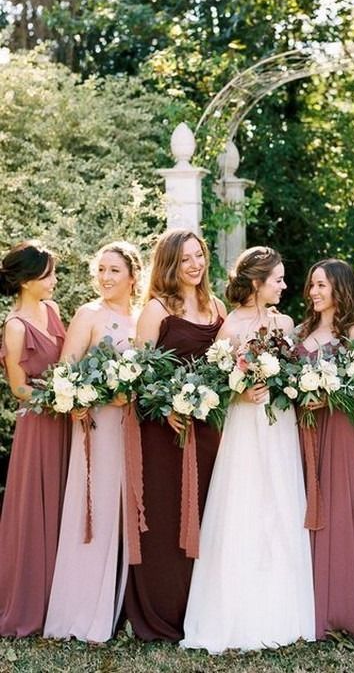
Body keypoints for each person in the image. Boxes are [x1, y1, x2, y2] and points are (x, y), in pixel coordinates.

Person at [181, 247, 315, 653]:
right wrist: (239, 394)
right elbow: (214, 384)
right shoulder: (231, 326)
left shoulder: (286, 322)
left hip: (280, 425)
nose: (285, 286)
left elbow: (295, 372)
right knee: (244, 505)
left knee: (281, 504)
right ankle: (236, 611)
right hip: (244, 426)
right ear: (257, 283)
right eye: (278, 279)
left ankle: (282, 610)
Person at [124, 229, 225, 642]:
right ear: (169, 264)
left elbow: (226, 363)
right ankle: (162, 610)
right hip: (165, 432)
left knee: (207, 512)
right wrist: (168, 407)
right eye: (185, 259)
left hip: (210, 430)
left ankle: (201, 609)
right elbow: (139, 373)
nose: (195, 265)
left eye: (198, 255)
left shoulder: (216, 306)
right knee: (167, 516)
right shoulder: (156, 310)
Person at [44, 241, 142, 643]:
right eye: (101, 269)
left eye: (114, 270)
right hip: (97, 428)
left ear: (133, 276)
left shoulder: (142, 318)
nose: (105, 277)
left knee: (126, 516)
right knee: (93, 513)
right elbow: (64, 373)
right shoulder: (89, 314)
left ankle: (120, 608)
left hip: (133, 429)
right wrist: (91, 397)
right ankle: (82, 611)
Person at [298, 258, 354, 640]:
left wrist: (334, 395)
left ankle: (346, 607)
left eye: (322, 285)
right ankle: (309, 605)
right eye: (312, 285)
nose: (315, 292)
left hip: (341, 430)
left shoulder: (353, 332)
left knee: (340, 510)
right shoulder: (301, 330)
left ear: (339, 288)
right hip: (304, 429)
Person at [0, 242, 69, 636]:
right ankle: (28, 602)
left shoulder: (54, 311)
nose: (54, 281)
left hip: (66, 420)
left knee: (63, 502)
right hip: (38, 424)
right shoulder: (14, 326)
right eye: (48, 275)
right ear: (26, 281)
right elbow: (18, 387)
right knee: (34, 509)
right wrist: (55, 395)